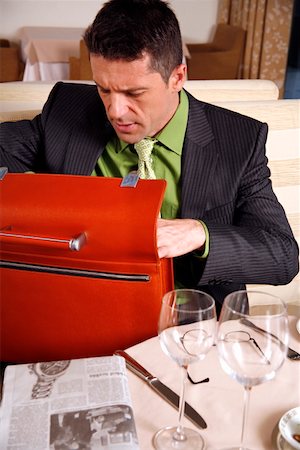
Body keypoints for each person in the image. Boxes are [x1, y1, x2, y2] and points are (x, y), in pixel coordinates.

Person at [0, 0, 298, 312]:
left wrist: (199, 234)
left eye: (134, 93)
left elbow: (282, 256)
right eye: (103, 89)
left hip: (191, 322)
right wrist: (45, 197)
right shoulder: (67, 110)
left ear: (178, 77)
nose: (115, 111)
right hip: (79, 310)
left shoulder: (238, 140)